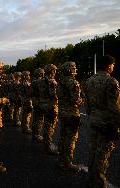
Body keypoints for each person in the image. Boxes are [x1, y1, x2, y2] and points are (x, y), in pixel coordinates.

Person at [85, 55, 120, 188]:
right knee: (102, 155)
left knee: (93, 150)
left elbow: (87, 106)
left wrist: (93, 115)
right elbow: (115, 109)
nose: (113, 67)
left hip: (94, 120)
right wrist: (116, 126)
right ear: (108, 65)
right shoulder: (111, 82)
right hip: (106, 124)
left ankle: (91, 179)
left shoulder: (89, 81)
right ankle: (99, 182)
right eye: (113, 65)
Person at [57, 62, 84, 172]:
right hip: (71, 113)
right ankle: (68, 163)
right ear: (68, 70)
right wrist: (82, 100)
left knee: (63, 136)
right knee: (71, 139)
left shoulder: (60, 81)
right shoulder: (73, 82)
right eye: (73, 68)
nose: (75, 69)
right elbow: (76, 100)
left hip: (63, 112)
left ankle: (62, 161)